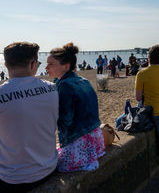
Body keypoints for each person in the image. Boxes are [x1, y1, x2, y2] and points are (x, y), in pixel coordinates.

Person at [0, 42, 59, 191]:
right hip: (49, 169)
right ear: (33, 64)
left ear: (6, 65)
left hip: (13, 179)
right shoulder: (52, 89)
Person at [46, 43, 104, 172]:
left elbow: (65, 120)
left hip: (79, 143)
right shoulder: (83, 80)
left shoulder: (65, 86)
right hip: (95, 140)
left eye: (51, 64)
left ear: (66, 66)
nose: (46, 67)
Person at [135, 45, 159, 118]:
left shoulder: (142, 73)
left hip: (148, 113)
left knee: (119, 121)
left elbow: (138, 97)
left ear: (148, 57)